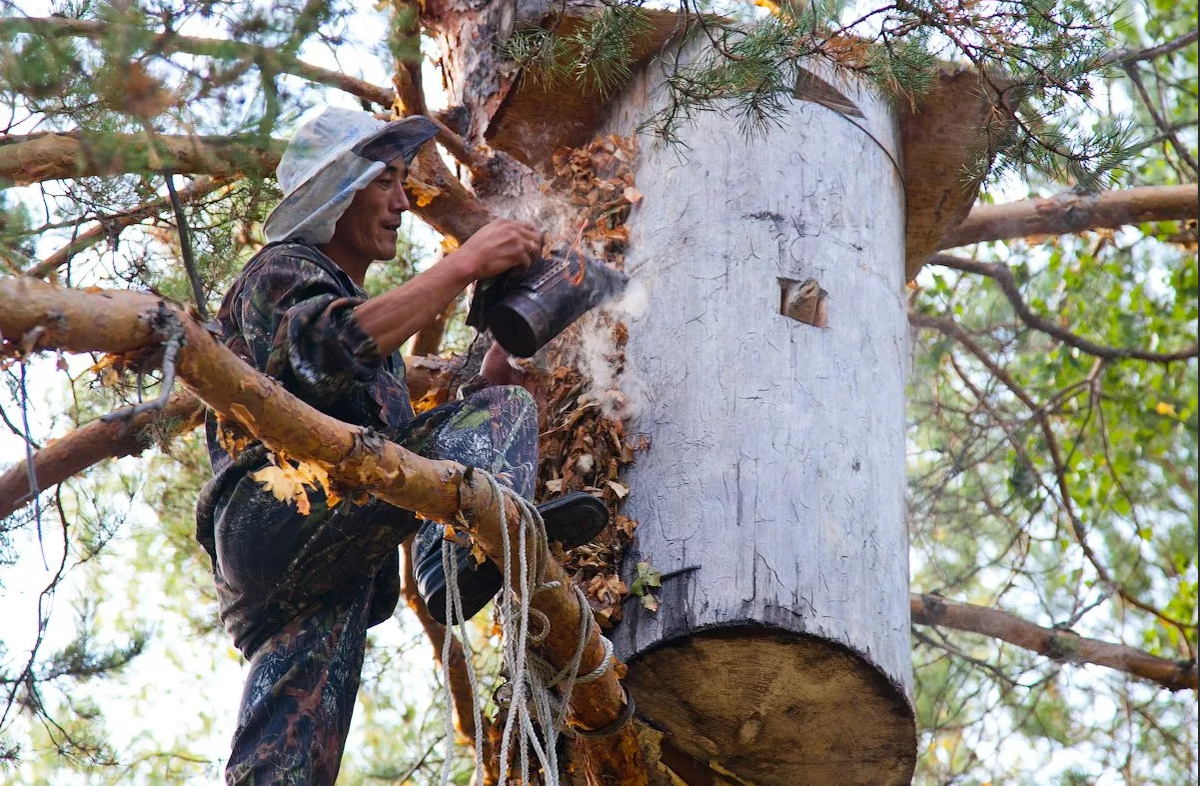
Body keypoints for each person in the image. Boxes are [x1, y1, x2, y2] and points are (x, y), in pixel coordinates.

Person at [195, 108, 605, 785]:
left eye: (405, 181)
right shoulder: (282, 268)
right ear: (336, 189)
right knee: (501, 413)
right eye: (384, 182)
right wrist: (468, 263)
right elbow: (333, 345)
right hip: (277, 511)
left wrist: (488, 370)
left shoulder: (373, 341)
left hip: (316, 562)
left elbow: (396, 443)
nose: (400, 202)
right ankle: (464, 559)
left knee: (290, 755)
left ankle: (470, 549)